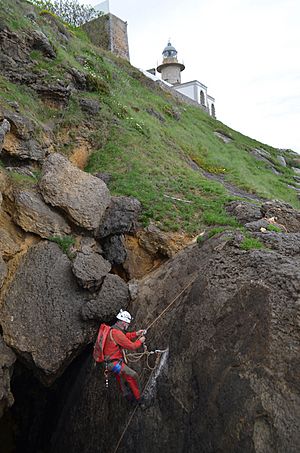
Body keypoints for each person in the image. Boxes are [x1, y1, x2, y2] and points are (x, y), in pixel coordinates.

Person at [103, 309, 146, 402]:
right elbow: (132, 346)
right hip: (113, 364)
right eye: (127, 324)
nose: (127, 326)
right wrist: (140, 341)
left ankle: (127, 396)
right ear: (123, 322)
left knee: (123, 377)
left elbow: (124, 337)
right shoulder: (117, 333)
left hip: (109, 362)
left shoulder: (112, 329)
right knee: (133, 376)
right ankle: (139, 398)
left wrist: (136, 334)